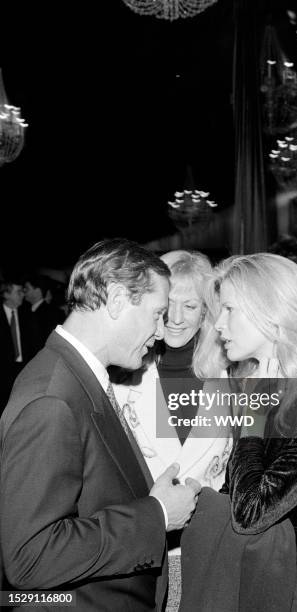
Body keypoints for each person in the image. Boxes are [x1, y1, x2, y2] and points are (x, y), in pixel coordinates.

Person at [0, 238, 201, 612]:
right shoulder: (52, 399)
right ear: (118, 300)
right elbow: (30, 558)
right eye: (156, 313)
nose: (161, 331)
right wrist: (156, 514)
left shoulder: (82, 376)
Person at [183, 253, 297, 612]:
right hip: (260, 579)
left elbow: (250, 512)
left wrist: (251, 423)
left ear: (274, 316)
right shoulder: (261, 384)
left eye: (230, 309)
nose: (218, 324)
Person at [112, 249, 232, 612]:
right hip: (140, 551)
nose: (176, 319)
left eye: (191, 307)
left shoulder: (233, 376)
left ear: (208, 313)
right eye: (168, 306)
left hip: (210, 548)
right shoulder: (122, 373)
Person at [0, 276, 35, 414]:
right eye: (18, 291)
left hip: (24, 370)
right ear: (6, 294)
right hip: (3, 373)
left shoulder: (28, 313)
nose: (23, 294)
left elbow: (35, 343)